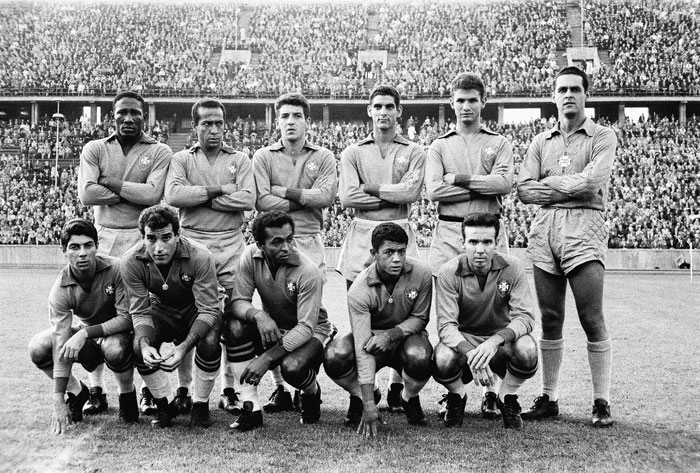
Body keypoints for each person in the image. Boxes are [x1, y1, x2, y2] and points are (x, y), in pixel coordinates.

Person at [517, 66, 617, 427]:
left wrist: (551, 185)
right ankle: (549, 396)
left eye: (576, 88)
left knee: (591, 316)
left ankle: (601, 400)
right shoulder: (540, 141)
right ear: (554, 95)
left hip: (585, 224)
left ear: (586, 94)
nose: (569, 94)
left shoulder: (603, 136)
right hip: (545, 229)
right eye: (562, 89)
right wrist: (565, 186)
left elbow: (595, 181)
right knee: (551, 318)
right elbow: (525, 189)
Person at [77, 91, 173, 416]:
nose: (128, 119)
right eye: (122, 113)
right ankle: (96, 390)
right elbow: (87, 194)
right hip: (103, 239)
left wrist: (111, 182)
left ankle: (146, 391)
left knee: (143, 313)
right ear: (112, 116)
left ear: (145, 116)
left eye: (135, 113)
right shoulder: (95, 148)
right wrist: (132, 192)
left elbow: (153, 195)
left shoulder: (159, 150)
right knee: (98, 314)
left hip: (140, 239)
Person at [426, 72, 515, 418]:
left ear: (483, 102)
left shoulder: (499, 142)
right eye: (460, 100)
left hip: (489, 233)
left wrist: (460, 179)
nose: (466, 106)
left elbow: (505, 183)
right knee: (453, 314)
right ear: (452, 103)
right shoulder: (439, 145)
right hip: (449, 234)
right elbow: (434, 191)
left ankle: (492, 391)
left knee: (495, 311)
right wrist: (482, 186)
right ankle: (456, 390)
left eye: (472, 100)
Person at [337, 84, 426, 410]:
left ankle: (396, 386)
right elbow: (347, 197)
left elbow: (410, 194)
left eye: (390, 106)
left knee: (401, 308)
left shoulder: (415, 151)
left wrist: (370, 188)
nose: (384, 112)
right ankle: (365, 391)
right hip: (362, 232)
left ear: (399, 111)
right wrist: (393, 190)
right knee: (361, 313)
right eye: (378, 106)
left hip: (400, 230)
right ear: (369, 111)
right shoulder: (352, 152)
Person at [165, 97, 255, 417]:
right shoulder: (181, 158)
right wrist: (221, 190)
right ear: (195, 126)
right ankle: (184, 389)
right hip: (191, 244)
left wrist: (200, 194)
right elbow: (174, 195)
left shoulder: (241, 158)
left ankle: (229, 390)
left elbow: (247, 198)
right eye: (207, 123)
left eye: (218, 123)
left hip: (232, 245)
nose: (214, 129)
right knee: (192, 318)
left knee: (233, 319)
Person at [252, 93, 337, 412]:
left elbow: (326, 197)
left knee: (309, 314)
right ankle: (279, 389)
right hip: (273, 242)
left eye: (296, 116)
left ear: (307, 122)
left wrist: (281, 192)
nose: (290, 121)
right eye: (284, 116)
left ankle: (304, 379)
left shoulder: (324, 156)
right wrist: (304, 198)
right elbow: (260, 201)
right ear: (277, 121)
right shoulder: (263, 156)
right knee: (271, 312)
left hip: (309, 240)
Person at [226, 211, 334, 431]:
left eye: (289, 239)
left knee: (292, 368)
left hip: (313, 331)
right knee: (234, 327)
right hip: (275, 326)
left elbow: (305, 326)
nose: (286, 247)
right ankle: (251, 408)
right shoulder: (250, 255)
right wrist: (259, 315)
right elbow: (237, 302)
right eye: (277, 242)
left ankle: (311, 393)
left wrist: (266, 358)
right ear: (260, 244)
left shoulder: (308, 271)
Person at [28, 219, 137, 435]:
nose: (83, 253)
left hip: (118, 335)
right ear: (64, 251)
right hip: (88, 338)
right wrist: (58, 398)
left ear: (97, 246)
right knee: (38, 347)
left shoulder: (116, 269)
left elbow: (126, 319)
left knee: (115, 348)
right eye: (74, 247)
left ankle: (127, 394)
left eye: (88, 245)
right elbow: (60, 342)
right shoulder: (59, 290)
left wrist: (86, 332)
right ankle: (78, 392)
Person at [324, 223, 433, 437]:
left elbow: (420, 318)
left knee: (421, 356)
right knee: (335, 355)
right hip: (371, 341)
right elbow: (363, 347)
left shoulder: (422, 273)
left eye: (401, 251)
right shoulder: (359, 288)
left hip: (406, 338)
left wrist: (391, 334)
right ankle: (361, 395)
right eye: (389, 252)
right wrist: (368, 402)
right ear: (374, 253)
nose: (397, 259)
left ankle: (409, 397)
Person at [433, 213, 538, 430]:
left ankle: (506, 397)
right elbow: (446, 325)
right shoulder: (448, 272)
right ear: (463, 243)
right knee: (442, 358)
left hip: (500, 344)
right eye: (473, 242)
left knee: (527, 349)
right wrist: (472, 352)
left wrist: (494, 342)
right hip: (465, 345)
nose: (480, 249)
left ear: (497, 243)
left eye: (487, 242)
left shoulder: (513, 267)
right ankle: (457, 397)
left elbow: (525, 317)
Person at [121, 205, 222, 428]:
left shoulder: (200, 256)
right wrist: (145, 344)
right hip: (162, 310)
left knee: (211, 339)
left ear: (178, 235)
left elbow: (208, 309)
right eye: (151, 239)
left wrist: (184, 346)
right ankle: (164, 404)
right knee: (139, 346)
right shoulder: (130, 261)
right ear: (142, 238)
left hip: (196, 309)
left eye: (166, 238)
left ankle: (200, 404)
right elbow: (139, 311)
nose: (158, 247)